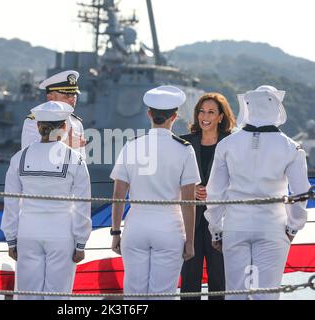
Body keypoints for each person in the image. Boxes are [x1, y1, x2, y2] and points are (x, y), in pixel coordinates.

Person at [205, 85, 311, 300]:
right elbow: (300, 193)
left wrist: (216, 230)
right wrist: (293, 227)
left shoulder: (227, 144)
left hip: (235, 226)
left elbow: (215, 192)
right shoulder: (291, 148)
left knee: (236, 294)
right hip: (273, 228)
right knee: (266, 295)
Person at [110, 86, 200, 299]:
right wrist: (190, 241)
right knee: (163, 294)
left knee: (134, 294)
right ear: (174, 117)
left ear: (149, 114)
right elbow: (188, 202)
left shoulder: (131, 146)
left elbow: (117, 195)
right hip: (169, 227)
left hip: (136, 226)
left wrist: (115, 232)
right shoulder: (184, 149)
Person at [1, 101, 92, 300]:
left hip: (28, 232)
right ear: (65, 127)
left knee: (27, 294)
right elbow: (82, 205)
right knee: (57, 296)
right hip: (62, 233)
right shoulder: (75, 159)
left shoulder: (19, 158)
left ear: (38, 126)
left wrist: (11, 239)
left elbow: (11, 203)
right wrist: (81, 243)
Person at [180, 93, 236, 300]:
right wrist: (189, 190)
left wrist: (216, 191)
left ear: (221, 117)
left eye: (211, 112)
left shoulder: (232, 143)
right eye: (201, 111)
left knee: (219, 280)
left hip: (221, 221)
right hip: (190, 222)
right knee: (189, 281)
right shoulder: (183, 143)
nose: (205, 116)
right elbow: (171, 180)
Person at [21, 70, 87, 158]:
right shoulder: (34, 121)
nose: (73, 99)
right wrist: (66, 144)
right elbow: (29, 155)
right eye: (67, 96)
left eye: (74, 95)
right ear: (50, 97)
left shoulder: (77, 123)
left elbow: (81, 160)